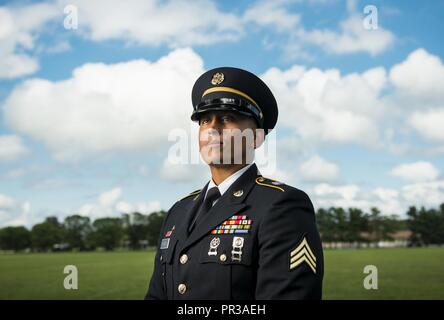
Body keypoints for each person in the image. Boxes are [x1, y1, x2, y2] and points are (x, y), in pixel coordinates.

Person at [145, 67, 323, 300]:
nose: (212, 129)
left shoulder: (282, 205)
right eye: (205, 120)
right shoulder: (179, 211)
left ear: (257, 137)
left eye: (228, 118)